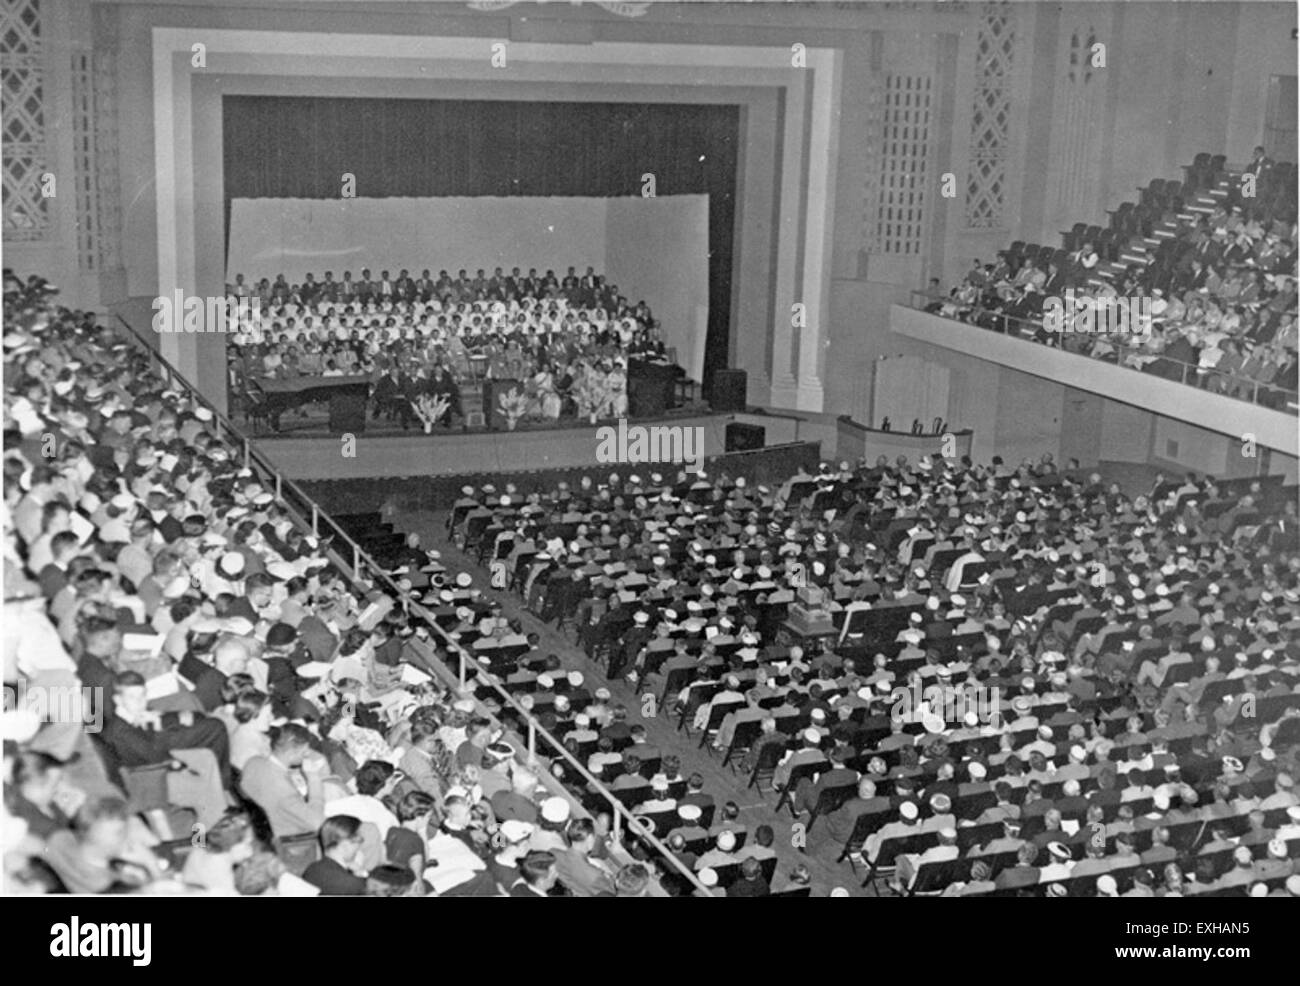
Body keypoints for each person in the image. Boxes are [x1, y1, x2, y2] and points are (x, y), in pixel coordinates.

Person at [302, 815, 368, 895]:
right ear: (345, 845)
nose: (360, 847)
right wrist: (361, 873)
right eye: (360, 840)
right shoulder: (355, 885)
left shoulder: (311, 869)